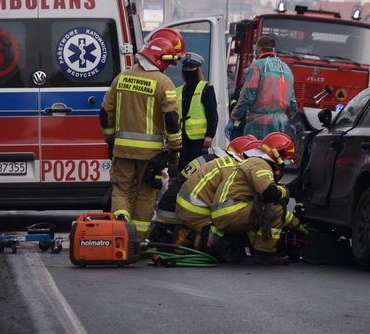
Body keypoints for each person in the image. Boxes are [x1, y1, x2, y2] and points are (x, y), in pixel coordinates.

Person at [100, 28, 185, 240]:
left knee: (121, 190)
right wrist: (174, 149)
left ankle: (119, 232)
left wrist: (110, 141)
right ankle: (137, 240)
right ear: (161, 58)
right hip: (150, 156)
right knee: (145, 194)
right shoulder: (164, 83)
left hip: (122, 150)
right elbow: (172, 120)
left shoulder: (121, 78)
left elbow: (105, 113)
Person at [208, 131, 307, 266]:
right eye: (286, 159)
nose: (285, 163)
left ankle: (227, 243)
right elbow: (269, 194)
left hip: (227, 212)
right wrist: (285, 191)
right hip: (230, 213)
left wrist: (296, 224)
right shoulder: (260, 164)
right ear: (277, 154)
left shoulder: (255, 162)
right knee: (276, 206)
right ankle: (264, 253)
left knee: (269, 208)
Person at [150, 134, 259, 245]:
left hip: (170, 208)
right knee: (221, 237)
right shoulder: (228, 168)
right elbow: (222, 200)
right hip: (177, 214)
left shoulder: (211, 159)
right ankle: (188, 238)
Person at [227, 35, 297, 140]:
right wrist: (292, 120)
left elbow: (247, 96)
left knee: (255, 153)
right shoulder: (286, 68)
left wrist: (233, 118)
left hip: (258, 124)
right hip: (281, 125)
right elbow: (292, 101)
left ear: (259, 49)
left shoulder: (257, 66)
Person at [175, 52, 219, 170]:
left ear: (197, 69)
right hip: (182, 137)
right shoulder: (179, 90)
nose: (188, 70)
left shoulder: (206, 88)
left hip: (199, 139)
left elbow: (212, 114)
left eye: (191, 68)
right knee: (183, 168)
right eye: (185, 67)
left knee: (197, 169)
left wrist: (210, 135)